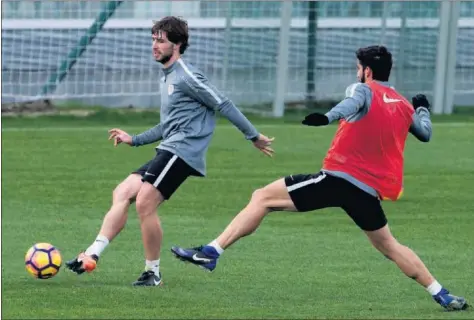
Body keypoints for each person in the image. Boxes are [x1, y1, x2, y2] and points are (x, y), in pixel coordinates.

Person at [171, 45, 468, 311]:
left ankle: (211, 252)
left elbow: (350, 105)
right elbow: (425, 133)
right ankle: (441, 293)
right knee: (390, 246)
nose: (356, 72)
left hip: (338, 180)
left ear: (366, 71)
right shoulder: (402, 104)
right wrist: (423, 109)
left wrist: (327, 117)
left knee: (262, 197)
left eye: (357, 68)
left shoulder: (363, 89)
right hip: (367, 191)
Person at [65, 16, 274, 286]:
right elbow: (168, 125)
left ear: (177, 45)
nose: (154, 45)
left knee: (145, 202)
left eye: (160, 41)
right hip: (169, 148)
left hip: (183, 151)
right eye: (153, 39)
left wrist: (253, 136)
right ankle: (92, 254)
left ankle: (152, 272)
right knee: (123, 192)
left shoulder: (186, 75)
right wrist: (135, 139)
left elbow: (223, 103)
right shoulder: (167, 76)